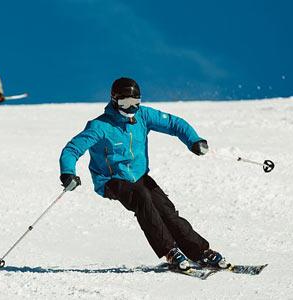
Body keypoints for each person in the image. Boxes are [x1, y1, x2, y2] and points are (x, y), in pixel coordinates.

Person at [58, 77, 228, 270]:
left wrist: (194, 140)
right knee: (142, 199)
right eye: (125, 103)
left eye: (135, 103)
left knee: (166, 210)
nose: (131, 109)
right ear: (114, 101)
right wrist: (67, 173)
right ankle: (170, 251)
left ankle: (200, 252)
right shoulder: (99, 126)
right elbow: (72, 149)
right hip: (111, 180)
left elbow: (174, 124)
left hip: (139, 176)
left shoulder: (143, 116)